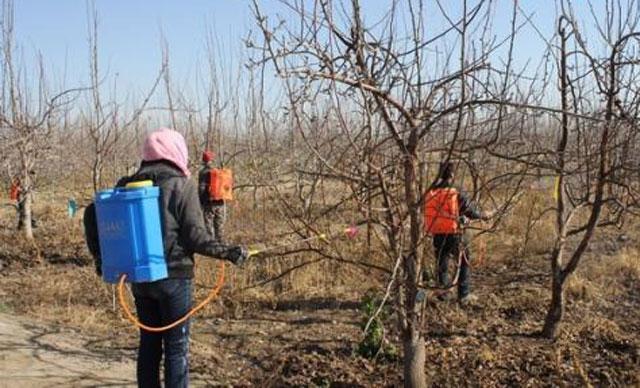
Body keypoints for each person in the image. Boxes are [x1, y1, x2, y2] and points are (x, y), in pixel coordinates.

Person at [97, 128, 249, 388]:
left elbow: (93, 217)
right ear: (176, 152)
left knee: (149, 344)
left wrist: (100, 260)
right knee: (177, 348)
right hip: (176, 279)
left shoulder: (126, 185)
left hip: (140, 278)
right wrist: (229, 252)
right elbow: (196, 237)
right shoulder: (181, 184)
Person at [424, 161, 492, 304]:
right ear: (452, 174)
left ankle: (443, 294)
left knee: (442, 263)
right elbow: (469, 211)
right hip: (455, 234)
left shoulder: (431, 191)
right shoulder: (455, 191)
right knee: (463, 261)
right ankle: (464, 295)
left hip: (437, 233)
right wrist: (483, 215)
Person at [198, 150, 226, 242]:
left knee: (208, 224)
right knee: (220, 224)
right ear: (212, 160)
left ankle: (211, 244)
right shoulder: (219, 170)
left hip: (209, 203)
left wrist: (200, 202)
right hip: (221, 202)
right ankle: (221, 242)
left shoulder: (203, 172)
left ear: (204, 161)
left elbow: (201, 188)